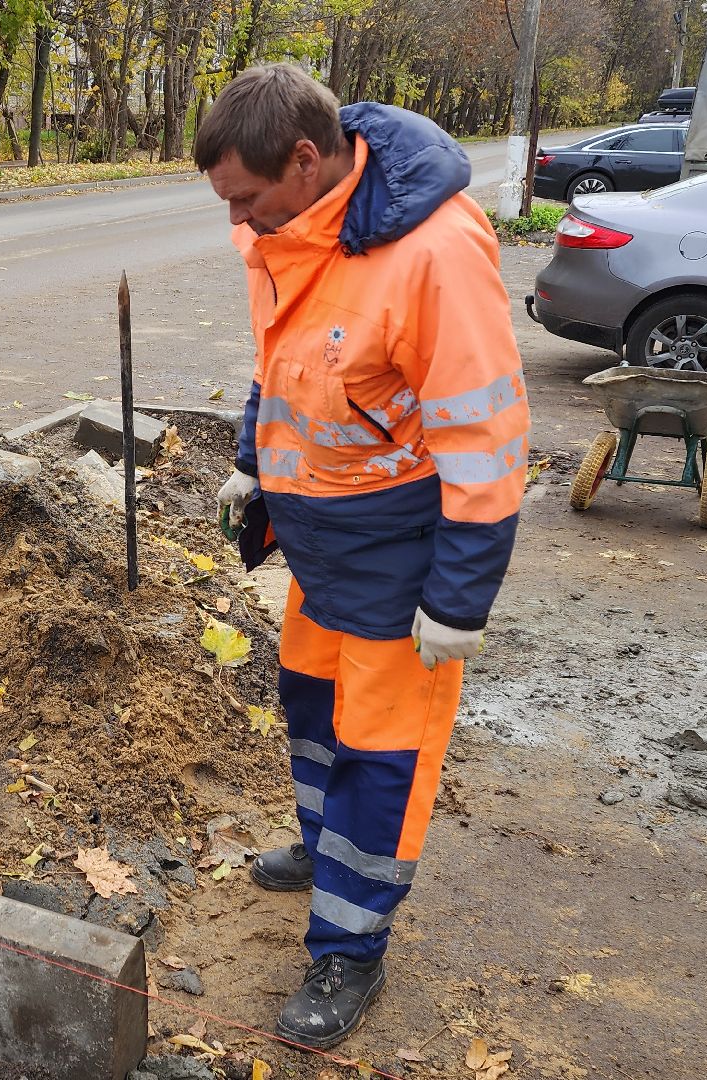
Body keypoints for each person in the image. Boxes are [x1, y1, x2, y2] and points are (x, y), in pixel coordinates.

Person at [198, 64, 529, 1049]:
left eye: (247, 200)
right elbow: (280, 351)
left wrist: (458, 600)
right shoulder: (281, 231)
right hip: (317, 544)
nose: (239, 223)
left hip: (396, 554)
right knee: (310, 709)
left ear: (305, 161)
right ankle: (318, 850)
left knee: (381, 760)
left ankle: (349, 948)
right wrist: (253, 462)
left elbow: (485, 438)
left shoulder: (435, 252)